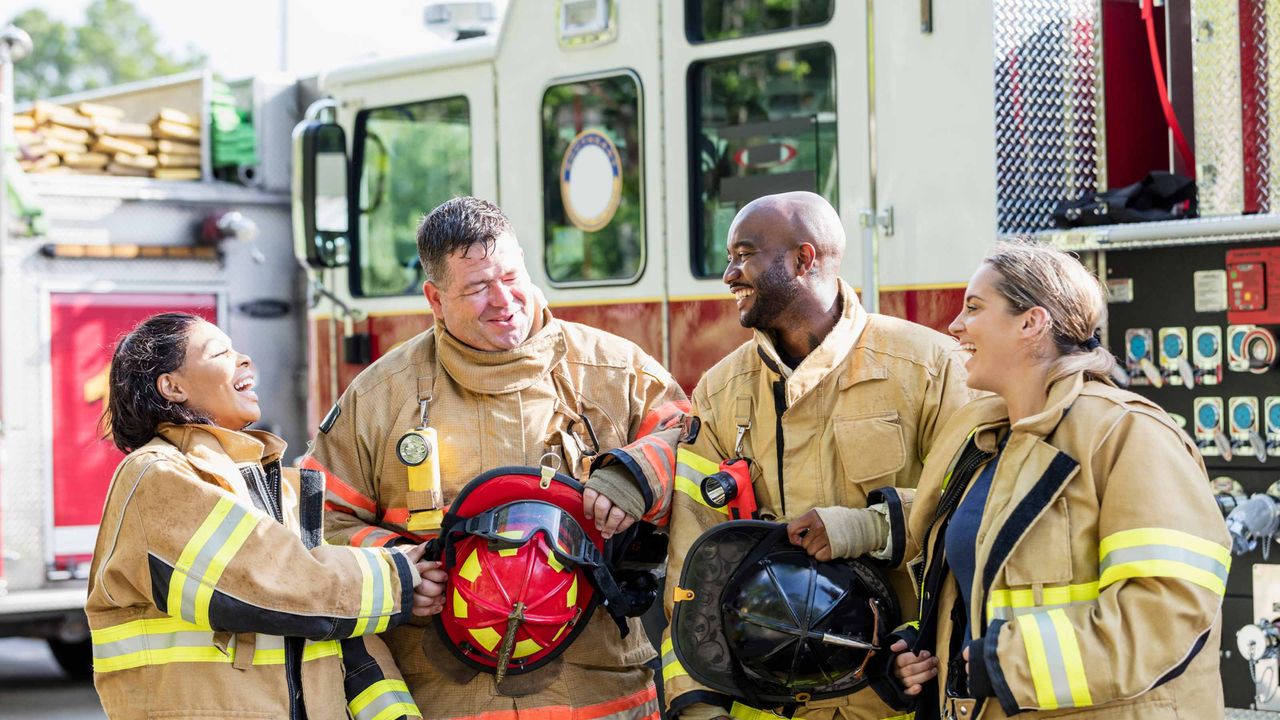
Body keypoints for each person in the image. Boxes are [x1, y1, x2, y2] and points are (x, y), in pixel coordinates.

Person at [583, 191, 972, 719]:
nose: (728, 275)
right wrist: (698, 707)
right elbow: (694, 568)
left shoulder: (929, 369)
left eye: (743, 255)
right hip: (765, 707)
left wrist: (866, 526)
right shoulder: (721, 392)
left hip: (895, 698)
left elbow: (972, 511)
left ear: (803, 260)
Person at [303, 196, 689, 720]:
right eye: (478, 288)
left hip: (598, 694)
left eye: (511, 276)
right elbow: (317, 522)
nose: (504, 300)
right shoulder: (380, 398)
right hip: (446, 695)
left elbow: (693, 446)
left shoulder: (615, 371)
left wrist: (637, 474)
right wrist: (398, 569)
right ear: (435, 300)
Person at [881, 242, 1228, 719]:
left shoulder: (1128, 434)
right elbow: (981, 590)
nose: (955, 325)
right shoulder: (984, 442)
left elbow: (1168, 612)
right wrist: (925, 650)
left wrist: (1010, 665)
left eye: (975, 308)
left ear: (1032, 323)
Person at [87, 312, 438, 720]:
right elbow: (259, 579)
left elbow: (346, 640)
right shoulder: (157, 475)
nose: (245, 359)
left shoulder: (277, 489)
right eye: (220, 352)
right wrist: (396, 579)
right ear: (173, 386)